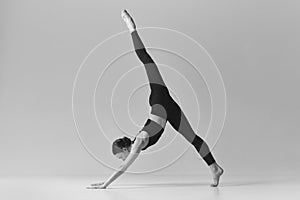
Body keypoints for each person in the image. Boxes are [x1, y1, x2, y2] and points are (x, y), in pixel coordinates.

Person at [87, 9, 224, 189]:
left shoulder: (138, 144)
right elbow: (123, 162)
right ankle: (214, 168)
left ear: (125, 150)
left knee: (147, 60)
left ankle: (131, 28)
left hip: (159, 98)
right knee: (192, 138)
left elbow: (123, 168)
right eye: (119, 157)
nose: (121, 159)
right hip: (166, 109)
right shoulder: (137, 142)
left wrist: (105, 184)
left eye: (120, 155)